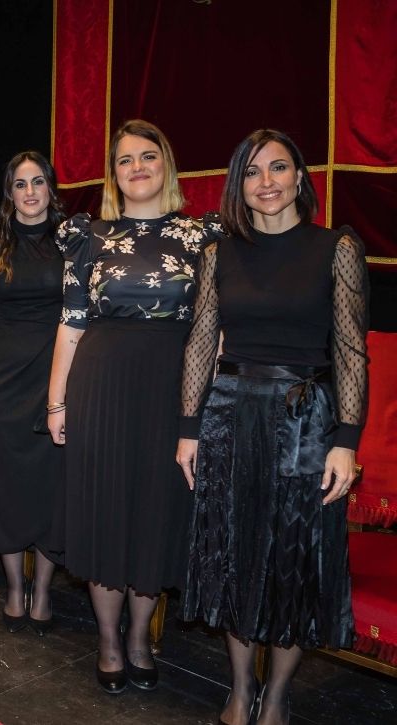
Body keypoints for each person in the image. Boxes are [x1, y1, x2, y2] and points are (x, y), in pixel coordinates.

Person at [177, 130, 368, 725]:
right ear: (239, 185)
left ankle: (277, 697)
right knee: (233, 553)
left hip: (306, 420)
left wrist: (346, 440)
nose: (266, 182)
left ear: (299, 177)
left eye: (278, 168)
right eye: (253, 172)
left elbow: (351, 350)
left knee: (294, 561)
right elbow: (201, 342)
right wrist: (189, 427)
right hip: (229, 416)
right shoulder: (218, 253)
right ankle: (240, 689)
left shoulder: (336, 248)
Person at [45, 120, 220, 694]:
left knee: (154, 511)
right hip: (101, 386)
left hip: (172, 390)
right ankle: (108, 640)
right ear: (113, 174)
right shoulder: (88, 236)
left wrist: (207, 399)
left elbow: (215, 329)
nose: (137, 167)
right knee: (105, 511)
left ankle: (142, 637)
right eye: (125, 160)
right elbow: (71, 323)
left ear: (166, 164)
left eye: (148, 156)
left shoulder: (203, 237)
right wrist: (56, 403)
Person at [0, 151, 66, 633]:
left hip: (57, 378)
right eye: (20, 184)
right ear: (9, 192)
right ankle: (13, 587)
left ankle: (43, 590)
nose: (30, 192)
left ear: (50, 187)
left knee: (52, 484)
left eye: (38, 182)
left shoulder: (73, 241)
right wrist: (0, 375)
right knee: (5, 484)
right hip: (6, 381)